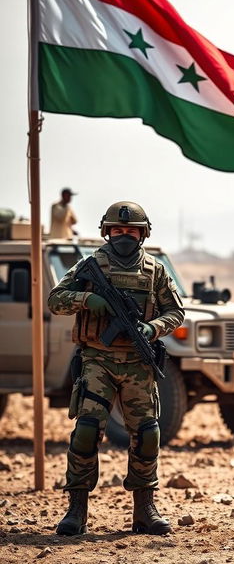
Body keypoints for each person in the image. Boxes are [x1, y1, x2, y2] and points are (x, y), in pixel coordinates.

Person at [49, 201, 185, 535]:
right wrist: (86, 300)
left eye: (131, 231)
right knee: (86, 431)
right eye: (118, 230)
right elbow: (56, 299)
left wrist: (152, 329)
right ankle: (76, 510)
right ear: (107, 232)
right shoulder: (90, 265)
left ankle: (145, 509)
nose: (124, 236)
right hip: (98, 360)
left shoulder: (155, 270)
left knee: (148, 435)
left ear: (143, 234)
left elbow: (176, 312)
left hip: (138, 364)